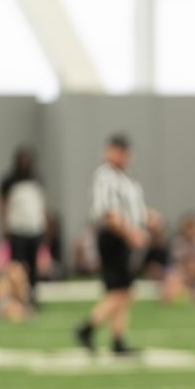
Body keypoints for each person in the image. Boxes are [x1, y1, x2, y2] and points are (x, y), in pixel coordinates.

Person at [74, 134, 149, 354]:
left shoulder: (125, 179)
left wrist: (147, 219)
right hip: (113, 236)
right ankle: (87, 327)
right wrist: (131, 233)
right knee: (123, 291)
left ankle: (118, 340)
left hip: (122, 237)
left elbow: (131, 210)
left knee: (121, 290)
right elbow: (111, 213)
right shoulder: (106, 177)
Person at [0, 145, 50, 307]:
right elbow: (3, 204)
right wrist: (4, 225)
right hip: (17, 228)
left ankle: (32, 296)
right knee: (18, 267)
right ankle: (16, 297)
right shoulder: (8, 181)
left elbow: (42, 203)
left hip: (34, 228)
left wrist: (45, 222)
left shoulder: (37, 179)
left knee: (33, 266)